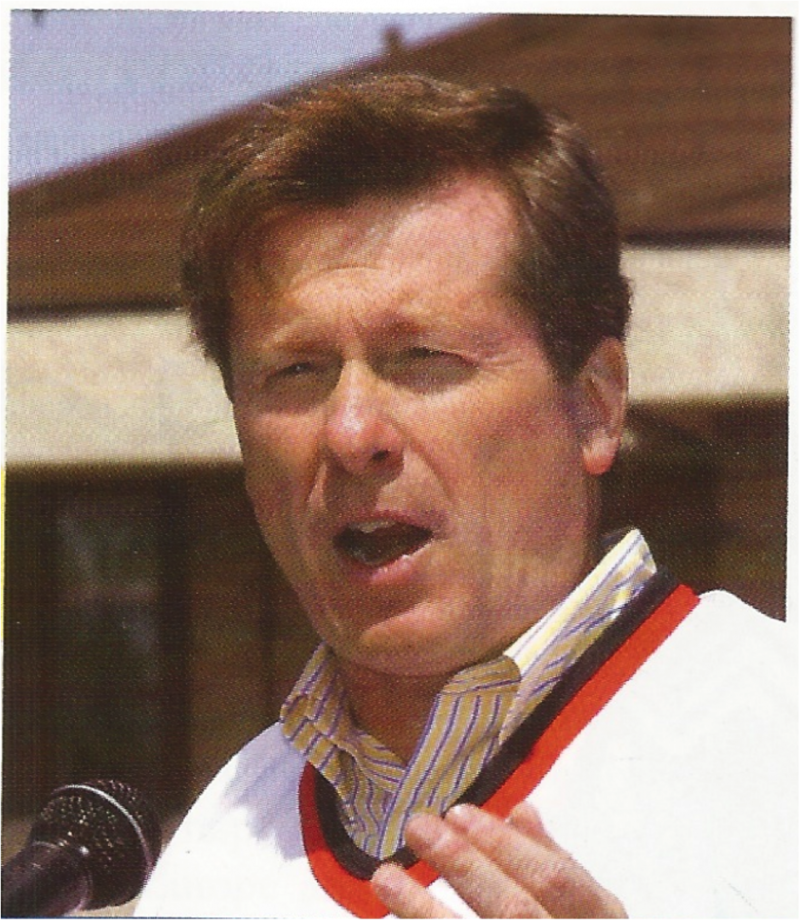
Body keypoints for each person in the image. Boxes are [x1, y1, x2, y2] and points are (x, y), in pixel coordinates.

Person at [136, 74, 799, 919]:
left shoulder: (778, 738)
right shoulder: (217, 845)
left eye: (422, 358)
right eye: (295, 371)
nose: (351, 431)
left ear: (595, 406)